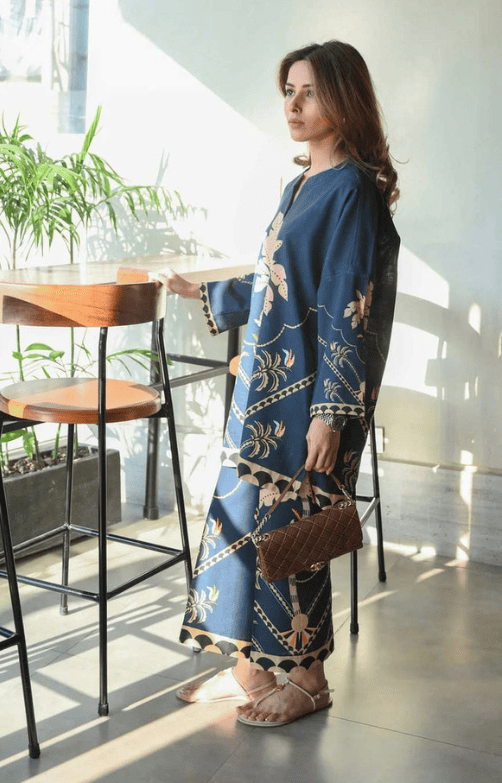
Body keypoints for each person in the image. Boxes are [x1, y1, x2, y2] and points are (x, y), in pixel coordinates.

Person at [154, 40, 400, 727]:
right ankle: (251, 666)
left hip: (311, 397)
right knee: (244, 521)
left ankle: (310, 677)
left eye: (308, 92)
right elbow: (277, 281)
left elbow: (349, 300)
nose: (291, 105)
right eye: (287, 90)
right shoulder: (299, 184)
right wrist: (208, 293)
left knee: (295, 529)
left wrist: (331, 413)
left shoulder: (349, 189)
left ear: (342, 99)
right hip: (265, 390)